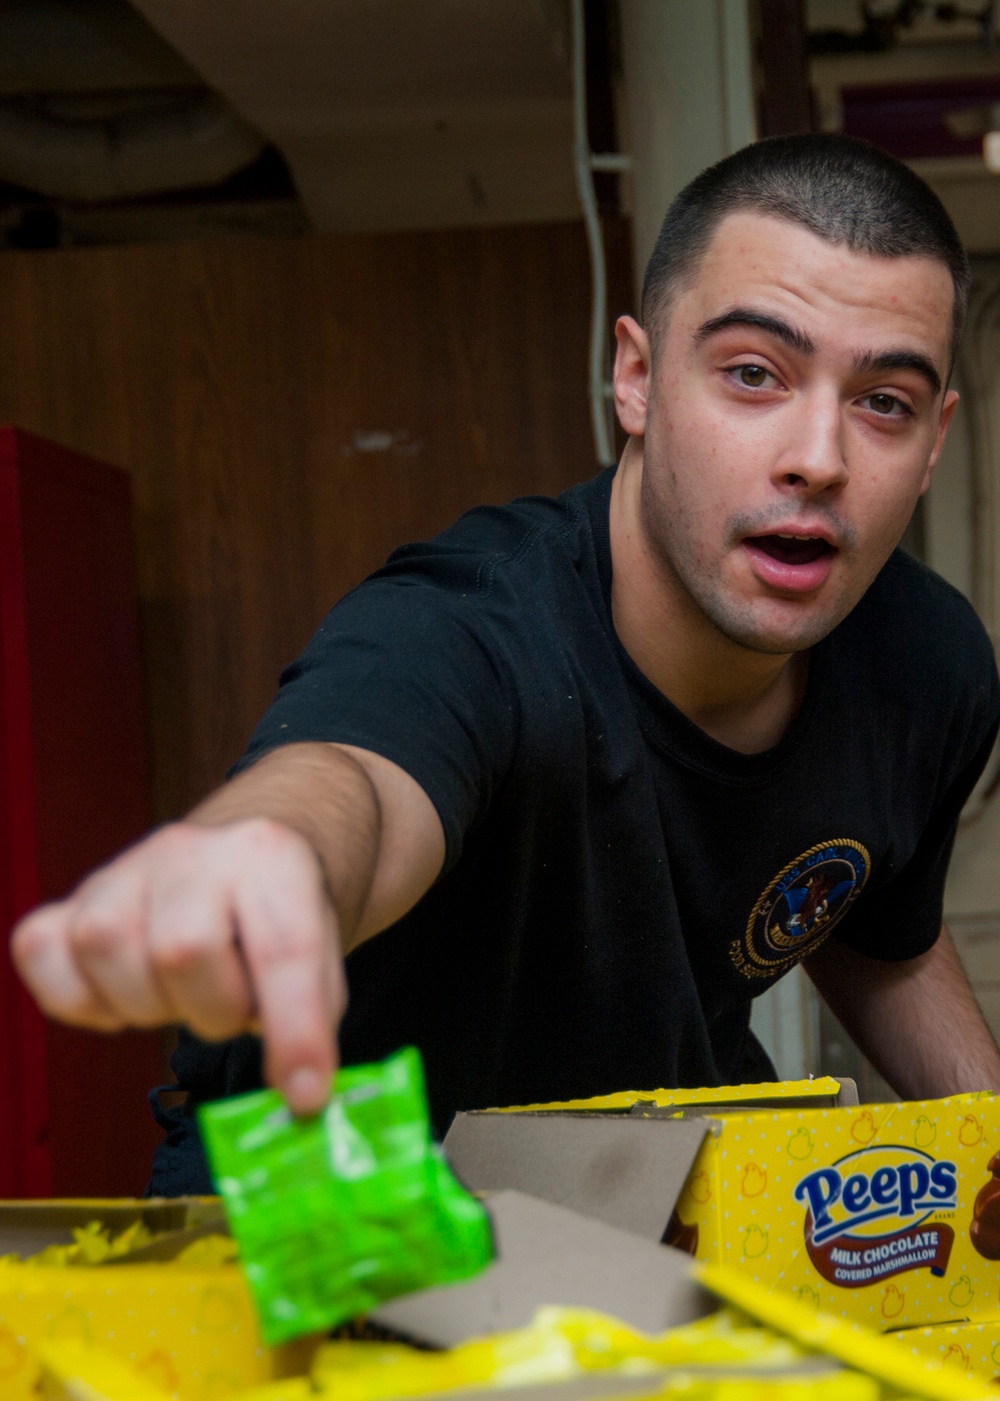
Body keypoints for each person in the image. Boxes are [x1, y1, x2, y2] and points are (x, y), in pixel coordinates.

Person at [13, 133, 1000, 1196]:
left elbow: (876, 930)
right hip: (335, 1182)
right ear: (636, 377)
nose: (819, 456)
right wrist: (273, 854)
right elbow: (359, 785)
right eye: (753, 375)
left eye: (883, 402)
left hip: (639, 1176)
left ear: (934, 437)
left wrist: (989, 1131)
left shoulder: (925, 661)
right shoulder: (470, 628)